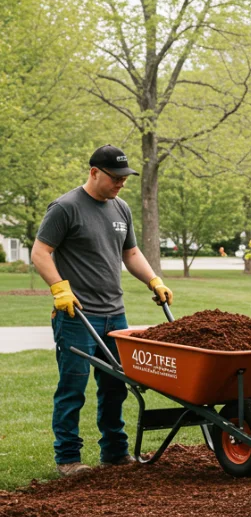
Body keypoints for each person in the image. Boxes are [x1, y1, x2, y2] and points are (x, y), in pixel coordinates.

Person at [31, 144, 174, 477]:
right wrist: (59, 288)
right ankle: (68, 459)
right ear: (94, 172)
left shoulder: (120, 208)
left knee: (115, 387)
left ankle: (114, 452)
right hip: (77, 315)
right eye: (115, 178)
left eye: (125, 179)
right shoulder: (65, 208)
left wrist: (154, 280)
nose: (121, 184)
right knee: (73, 387)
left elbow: (132, 253)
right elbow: (40, 252)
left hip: (114, 313)